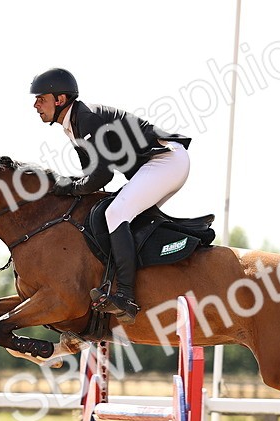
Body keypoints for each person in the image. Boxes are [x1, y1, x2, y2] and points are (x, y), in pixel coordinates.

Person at [31, 67, 192, 324]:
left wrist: (68, 188)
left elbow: (102, 177)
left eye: (41, 98)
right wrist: (65, 186)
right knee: (115, 215)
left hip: (166, 162)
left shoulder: (86, 119)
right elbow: (89, 175)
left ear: (59, 99)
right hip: (161, 165)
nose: (35, 104)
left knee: (115, 212)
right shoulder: (73, 125)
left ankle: (126, 295)